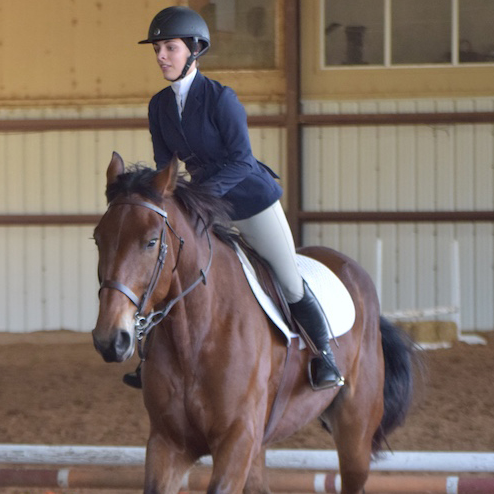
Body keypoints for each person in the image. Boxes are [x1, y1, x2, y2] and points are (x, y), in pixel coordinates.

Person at [122, 6, 343, 391]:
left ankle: (325, 357)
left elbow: (241, 160)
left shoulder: (220, 98)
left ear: (194, 50)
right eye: (157, 49)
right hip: (202, 202)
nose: (160, 56)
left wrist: (200, 196)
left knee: (287, 278)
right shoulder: (158, 105)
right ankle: (152, 359)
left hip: (250, 199)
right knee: (169, 270)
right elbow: (165, 165)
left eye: (169, 48)